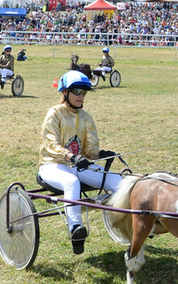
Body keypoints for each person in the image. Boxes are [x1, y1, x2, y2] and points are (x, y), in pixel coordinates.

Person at [38, 71, 124, 254]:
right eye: (76, 91)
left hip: (78, 165)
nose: (81, 96)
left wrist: (101, 153)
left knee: (119, 181)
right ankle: (75, 227)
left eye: (84, 92)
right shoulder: (55, 113)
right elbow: (51, 144)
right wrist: (71, 156)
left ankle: (131, 220)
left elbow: (90, 150)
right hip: (52, 165)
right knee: (71, 182)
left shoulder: (86, 117)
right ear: (65, 92)